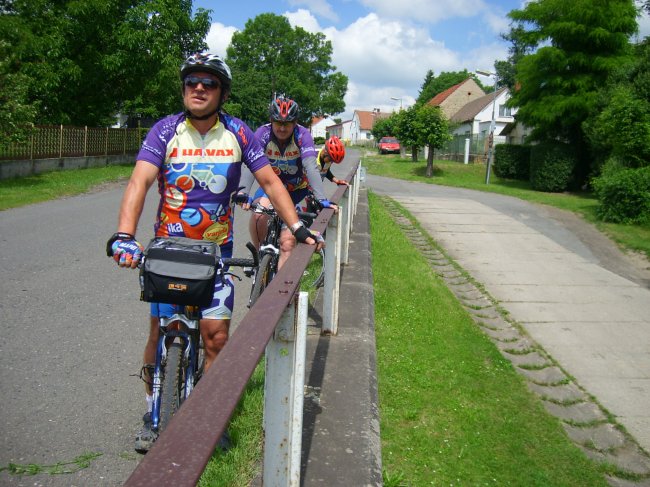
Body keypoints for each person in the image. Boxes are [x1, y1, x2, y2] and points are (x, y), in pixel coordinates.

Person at [106, 52, 322, 453]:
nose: (199, 88)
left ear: (222, 93)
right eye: (192, 82)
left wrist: (296, 226)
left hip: (215, 255)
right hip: (168, 251)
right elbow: (139, 182)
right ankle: (152, 411)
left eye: (209, 83)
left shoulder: (239, 133)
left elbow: (270, 182)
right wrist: (124, 236)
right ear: (183, 88)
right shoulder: (164, 131)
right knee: (158, 331)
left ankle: (209, 416)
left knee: (216, 337)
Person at [239, 95, 336, 269]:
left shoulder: (302, 135)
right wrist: (243, 192)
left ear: (295, 123)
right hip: (271, 188)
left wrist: (321, 198)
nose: (282, 128)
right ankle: (259, 257)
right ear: (271, 120)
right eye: (278, 123)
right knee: (258, 215)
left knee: (288, 242)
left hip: (297, 190)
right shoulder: (262, 133)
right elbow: (251, 164)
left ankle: (281, 285)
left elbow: (310, 166)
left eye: (287, 124)